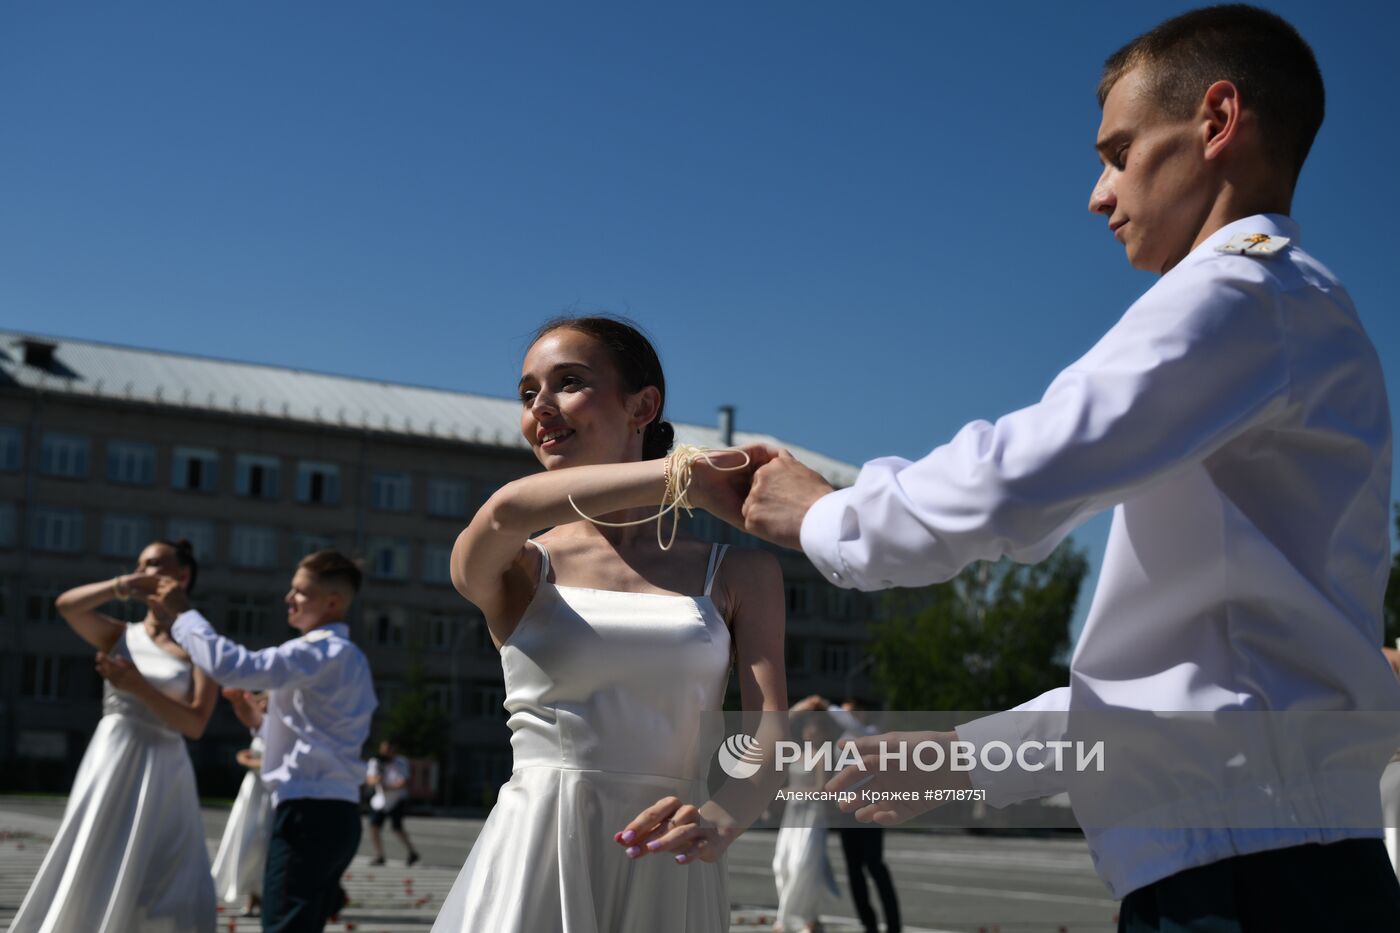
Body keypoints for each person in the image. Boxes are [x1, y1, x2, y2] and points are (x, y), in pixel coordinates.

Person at [734, 6, 1400, 930]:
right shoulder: (1292, 315)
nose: (1098, 192)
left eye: (1118, 152)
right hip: (1271, 859)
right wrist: (968, 759)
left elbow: (1019, 473)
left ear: (1216, 122)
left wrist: (826, 514)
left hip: (1250, 878)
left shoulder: (1243, 289)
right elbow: (1186, 685)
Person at [431, 315, 788, 933]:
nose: (541, 406)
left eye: (568, 382)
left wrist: (720, 819)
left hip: (671, 853)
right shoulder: (520, 563)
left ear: (642, 404)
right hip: (536, 848)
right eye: (527, 392)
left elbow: (767, 734)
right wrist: (682, 479)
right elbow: (505, 511)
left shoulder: (742, 573)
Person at [135, 549, 376, 933]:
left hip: (308, 815)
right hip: (338, 813)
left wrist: (183, 614)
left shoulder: (317, 650)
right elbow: (320, 735)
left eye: (300, 591)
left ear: (332, 602)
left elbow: (235, 667)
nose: (288, 598)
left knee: (282, 925)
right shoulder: (352, 658)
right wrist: (259, 722)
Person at [9, 540, 218, 933]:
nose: (145, 571)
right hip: (114, 758)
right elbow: (67, 606)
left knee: (168, 875)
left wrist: (139, 687)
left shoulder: (198, 644)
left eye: (155, 564)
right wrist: (121, 584)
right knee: (96, 858)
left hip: (166, 769)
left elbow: (195, 725)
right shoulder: (121, 633)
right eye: (139, 564)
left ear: (183, 575)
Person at [793, 696, 900, 933]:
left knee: (874, 865)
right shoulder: (840, 741)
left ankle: (893, 925)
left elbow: (852, 725)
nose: (843, 716)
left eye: (849, 712)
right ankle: (868, 923)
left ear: (861, 714)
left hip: (872, 808)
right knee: (853, 869)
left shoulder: (869, 733)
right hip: (848, 810)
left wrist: (827, 705)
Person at [770, 709, 840, 933]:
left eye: (816, 728)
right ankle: (805, 917)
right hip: (793, 814)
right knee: (781, 864)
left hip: (812, 816)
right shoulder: (795, 754)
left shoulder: (823, 756)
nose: (810, 732)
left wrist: (790, 791)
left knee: (802, 865)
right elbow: (779, 721)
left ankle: (790, 919)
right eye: (808, 727)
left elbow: (822, 789)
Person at [211, 691, 274, 916]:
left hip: (267, 790)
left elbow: (273, 760)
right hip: (253, 790)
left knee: (261, 841)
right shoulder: (261, 727)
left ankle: (263, 895)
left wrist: (248, 760)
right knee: (247, 840)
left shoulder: (277, 727)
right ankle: (251, 896)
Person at [366, 738, 420, 867]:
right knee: (374, 826)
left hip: (397, 798)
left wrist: (389, 788)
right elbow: (370, 779)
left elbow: (404, 781)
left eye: (389, 750)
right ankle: (379, 855)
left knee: (397, 827)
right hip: (381, 799)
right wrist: (377, 780)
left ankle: (412, 852)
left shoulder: (401, 762)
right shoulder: (375, 762)